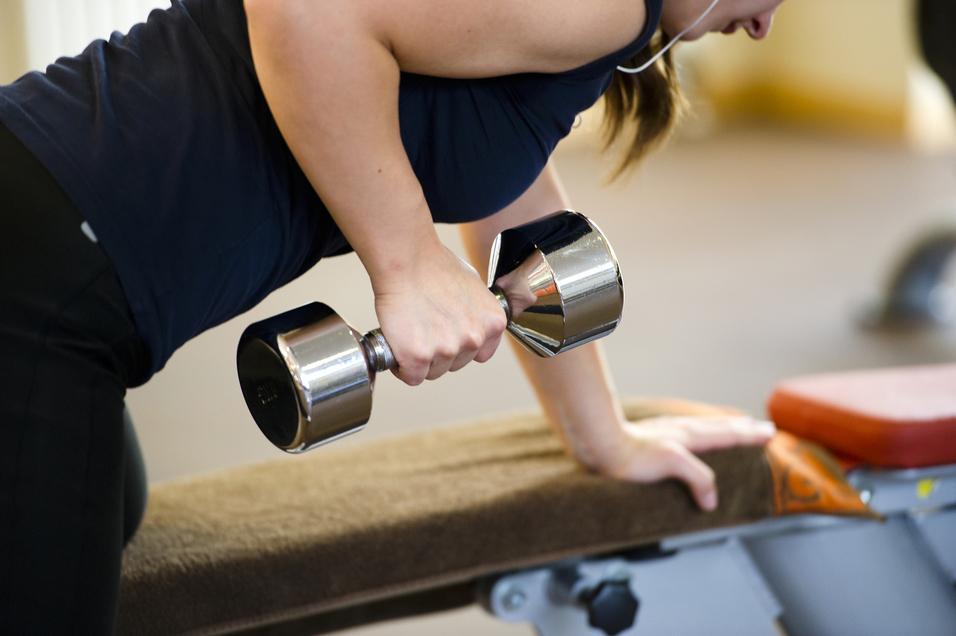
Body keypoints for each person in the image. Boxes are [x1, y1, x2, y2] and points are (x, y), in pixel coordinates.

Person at [0, 0, 783, 630]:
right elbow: (306, 9)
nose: (765, 23)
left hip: (59, 250)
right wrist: (407, 263)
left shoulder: (600, 27)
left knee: (109, 514)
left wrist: (604, 438)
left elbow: (515, 205)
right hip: (43, 270)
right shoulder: (602, 8)